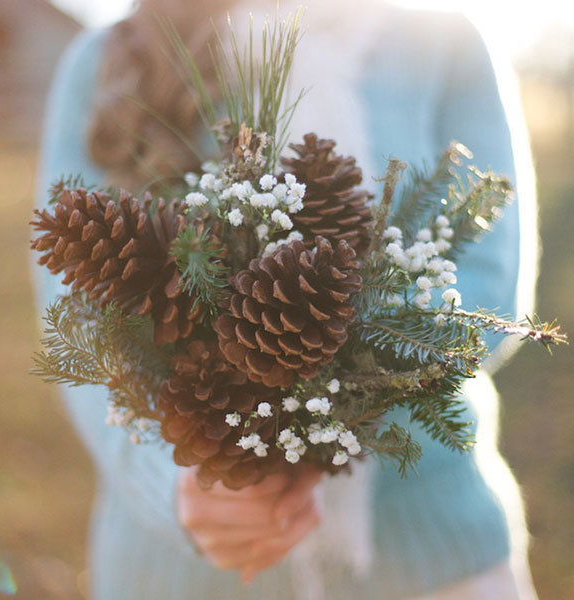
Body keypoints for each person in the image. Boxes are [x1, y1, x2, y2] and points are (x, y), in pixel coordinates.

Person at [33, 0, 539, 598]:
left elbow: (489, 268)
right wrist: (177, 483)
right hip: (180, 570)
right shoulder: (105, 62)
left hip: (433, 554)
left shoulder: (437, 38)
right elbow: (78, 314)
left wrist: (334, 412)